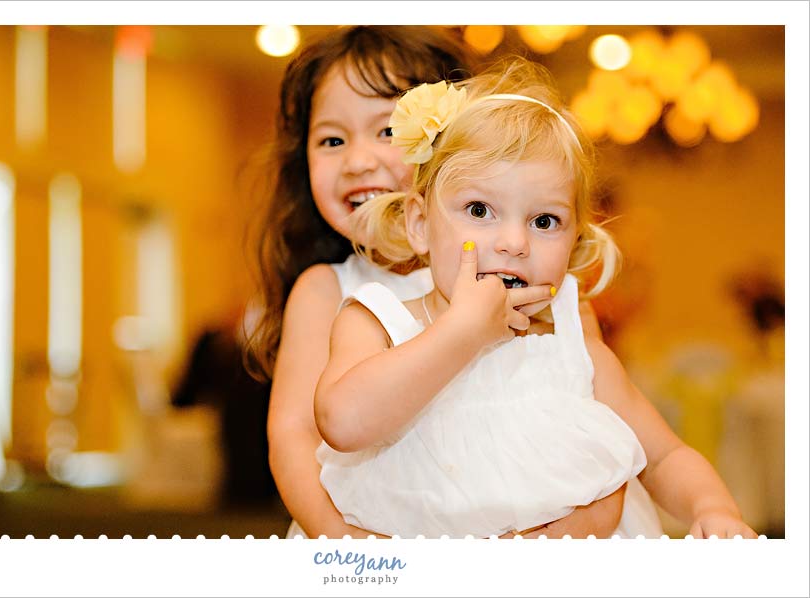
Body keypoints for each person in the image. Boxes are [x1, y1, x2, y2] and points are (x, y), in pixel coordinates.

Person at [314, 58, 759, 539]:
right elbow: (342, 422)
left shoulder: (571, 344)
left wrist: (712, 508)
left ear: (573, 241)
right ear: (420, 224)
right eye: (479, 210)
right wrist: (460, 333)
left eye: (544, 221)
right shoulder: (378, 322)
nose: (514, 242)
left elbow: (663, 455)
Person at [245, 26, 621, 539]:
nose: (357, 161)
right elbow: (295, 436)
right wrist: (352, 544)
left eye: (388, 131)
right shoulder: (326, 289)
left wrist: (559, 536)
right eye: (332, 140)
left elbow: (599, 427)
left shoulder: (534, 286)